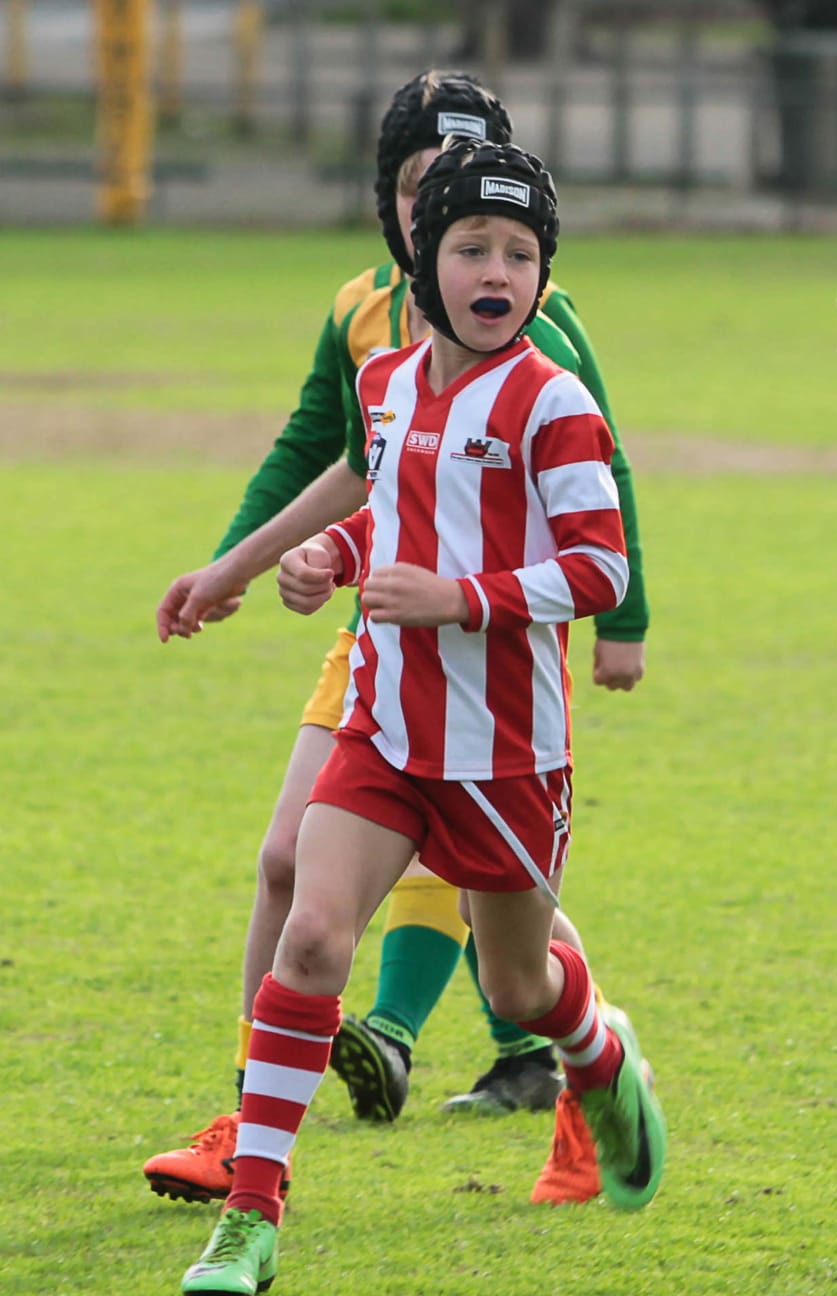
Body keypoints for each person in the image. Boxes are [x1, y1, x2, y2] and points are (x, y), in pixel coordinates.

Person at [146, 70, 649, 1212]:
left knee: (505, 936)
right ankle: (255, 1142)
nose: (452, 235)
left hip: (493, 653)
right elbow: (336, 457)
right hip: (378, 634)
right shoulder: (365, 322)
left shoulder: (537, 338)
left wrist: (624, 620)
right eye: (423, 197)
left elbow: (596, 489)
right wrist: (245, 563)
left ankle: (575, 1063)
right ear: (394, 207)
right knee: (297, 876)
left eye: (485, 224)